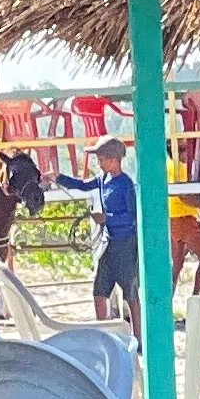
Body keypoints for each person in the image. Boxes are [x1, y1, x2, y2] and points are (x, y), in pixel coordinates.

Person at [63, 136, 143, 325]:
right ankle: (106, 331)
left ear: (114, 160)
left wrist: (107, 218)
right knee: (100, 291)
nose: (98, 163)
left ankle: (138, 335)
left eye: (101, 159)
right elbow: (82, 185)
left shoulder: (125, 184)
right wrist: (58, 177)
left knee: (130, 294)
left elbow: (132, 217)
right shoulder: (102, 179)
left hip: (125, 244)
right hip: (109, 244)